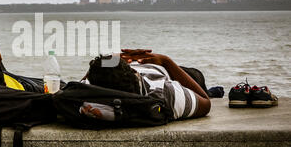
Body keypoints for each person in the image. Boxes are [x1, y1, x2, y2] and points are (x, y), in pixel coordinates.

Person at [83, 50, 211, 119]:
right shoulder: (167, 93)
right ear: (135, 72)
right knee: (196, 75)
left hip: (147, 70)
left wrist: (110, 61)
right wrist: (166, 61)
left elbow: (85, 80)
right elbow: (205, 102)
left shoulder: (89, 91)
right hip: (167, 72)